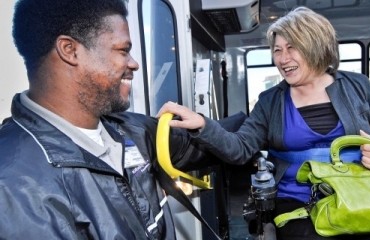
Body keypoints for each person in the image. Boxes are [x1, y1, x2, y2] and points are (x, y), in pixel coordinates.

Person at [159, 6, 370, 240]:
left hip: (362, 194)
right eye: (277, 50)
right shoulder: (270, 101)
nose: (282, 59)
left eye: (291, 48)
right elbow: (240, 148)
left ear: (316, 46)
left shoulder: (359, 87)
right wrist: (202, 125)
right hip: (299, 201)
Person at [0, 0, 246, 239]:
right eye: (123, 50)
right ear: (69, 50)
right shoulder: (14, 188)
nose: (134, 63)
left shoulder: (131, 130)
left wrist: (256, 118)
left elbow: (214, 146)